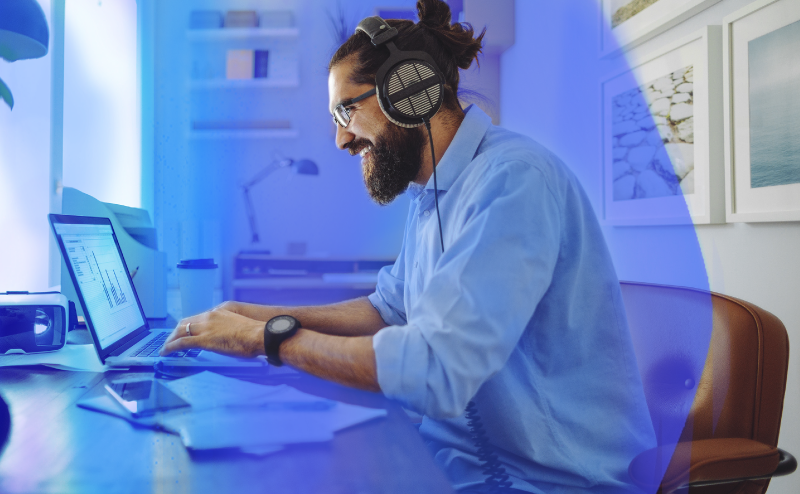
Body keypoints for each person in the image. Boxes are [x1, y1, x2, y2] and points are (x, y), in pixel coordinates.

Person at [162, 1, 655, 492]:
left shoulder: (513, 181)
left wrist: (266, 340)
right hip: (448, 459)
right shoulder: (433, 192)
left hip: (543, 481)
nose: (340, 139)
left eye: (345, 111)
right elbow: (388, 309)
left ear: (408, 91)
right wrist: (255, 315)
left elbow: (435, 369)